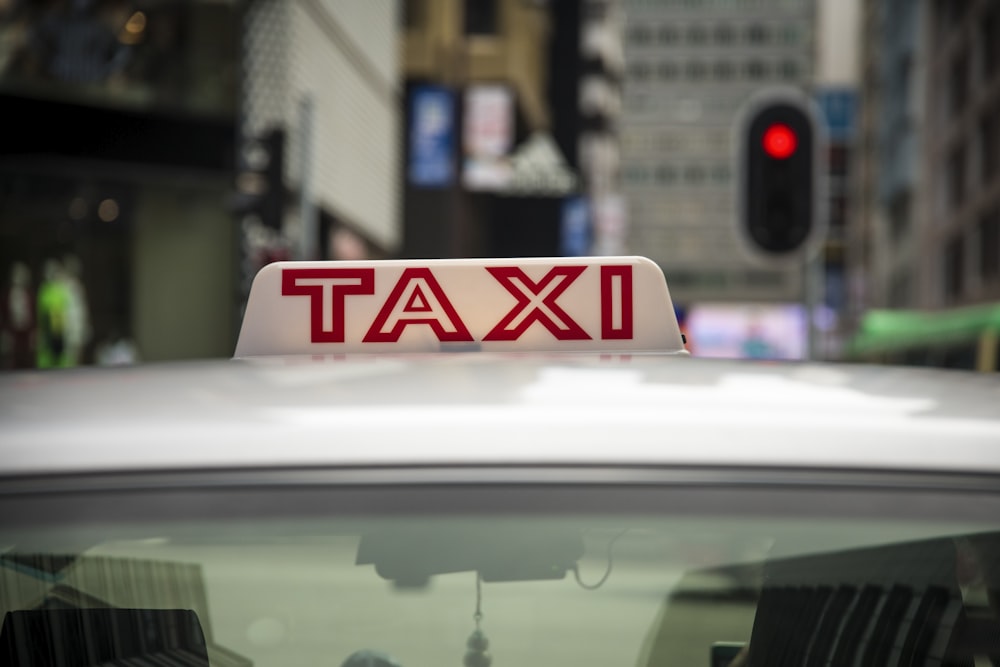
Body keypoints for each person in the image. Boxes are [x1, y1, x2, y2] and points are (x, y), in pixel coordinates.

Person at [1, 261, 36, 369]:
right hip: (13, 331)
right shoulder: (7, 295)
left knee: (27, 357)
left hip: (26, 331)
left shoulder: (29, 294)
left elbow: (33, 314)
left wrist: (34, 332)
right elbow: (4, 314)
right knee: (12, 359)